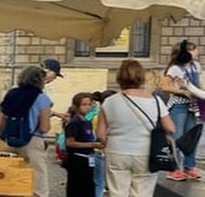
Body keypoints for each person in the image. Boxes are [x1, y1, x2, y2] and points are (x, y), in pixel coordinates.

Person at [96, 59, 174, 197]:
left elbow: (101, 134)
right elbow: (171, 128)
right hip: (145, 151)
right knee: (142, 191)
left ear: (120, 78)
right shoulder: (155, 100)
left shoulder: (109, 101)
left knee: (117, 191)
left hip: (117, 150)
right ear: (141, 77)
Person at [0, 63, 55, 197]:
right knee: (38, 183)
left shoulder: (11, 94)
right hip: (33, 141)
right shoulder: (42, 99)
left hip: (10, 141)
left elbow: (1, 123)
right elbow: (44, 127)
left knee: (12, 180)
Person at [161, 42, 205, 181]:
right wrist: (182, 92)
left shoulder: (196, 66)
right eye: (193, 49)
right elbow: (165, 86)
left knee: (192, 137)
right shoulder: (174, 69)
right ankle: (174, 168)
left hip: (193, 106)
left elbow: (198, 84)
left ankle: (189, 166)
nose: (197, 52)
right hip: (179, 106)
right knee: (177, 137)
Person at [65, 93, 99, 197]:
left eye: (89, 104)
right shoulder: (75, 122)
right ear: (76, 107)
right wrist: (91, 144)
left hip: (88, 158)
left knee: (88, 187)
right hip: (77, 159)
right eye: (84, 105)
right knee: (77, 187)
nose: (87, 107)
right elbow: (70, 142)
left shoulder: (87, 122)